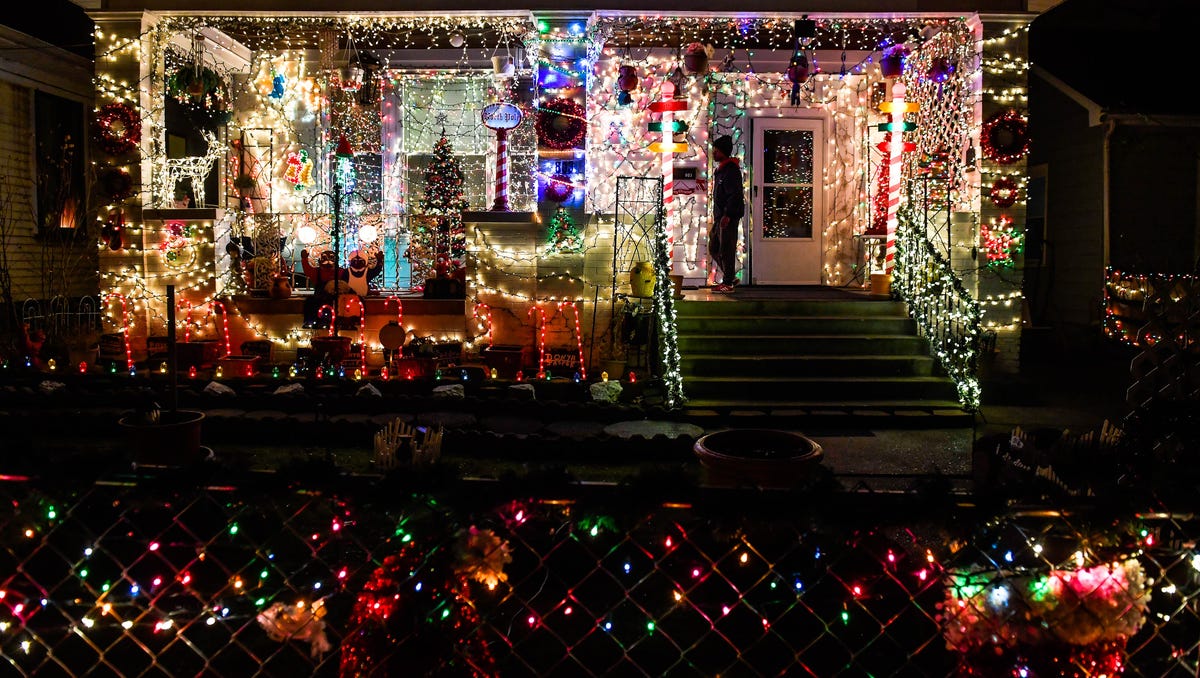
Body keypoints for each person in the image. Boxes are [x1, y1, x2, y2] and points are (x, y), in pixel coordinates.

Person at [709, 134, 744, 293]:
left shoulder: (731, 171)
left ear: (723, 151)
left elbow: (735, 195)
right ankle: (730, 276)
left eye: (716, 151)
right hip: (719, 216)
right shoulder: (721, 170)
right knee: (714, 247)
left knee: (726, 248)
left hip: (727, 217)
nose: (713, 153)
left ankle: (728, 283)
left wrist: (727, 215)